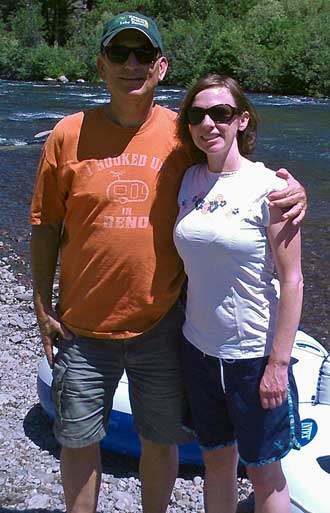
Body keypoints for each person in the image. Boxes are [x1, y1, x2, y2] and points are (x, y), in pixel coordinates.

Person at [30, 11, 306, 513]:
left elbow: (238, 176)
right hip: (82, 326)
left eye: (141, 55)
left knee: (162, 439)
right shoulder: (66, 135)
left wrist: (294, 190)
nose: (130, 65)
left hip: (162, 326)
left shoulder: (182, 138)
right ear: (101, 65)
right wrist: (39, 301)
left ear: (160, 67)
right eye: (119, 53)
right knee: (77, 440)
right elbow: (45, 225)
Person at [174, 73, 304, 513]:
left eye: (221, 113)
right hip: (198, 351)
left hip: (252, 356)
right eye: (197, 114)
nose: (208, 123)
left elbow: (293, 282)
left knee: (265, 474)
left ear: (242, 121)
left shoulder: (272, 189)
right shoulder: (189, 179)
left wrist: (278, 365)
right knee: (216, 465)